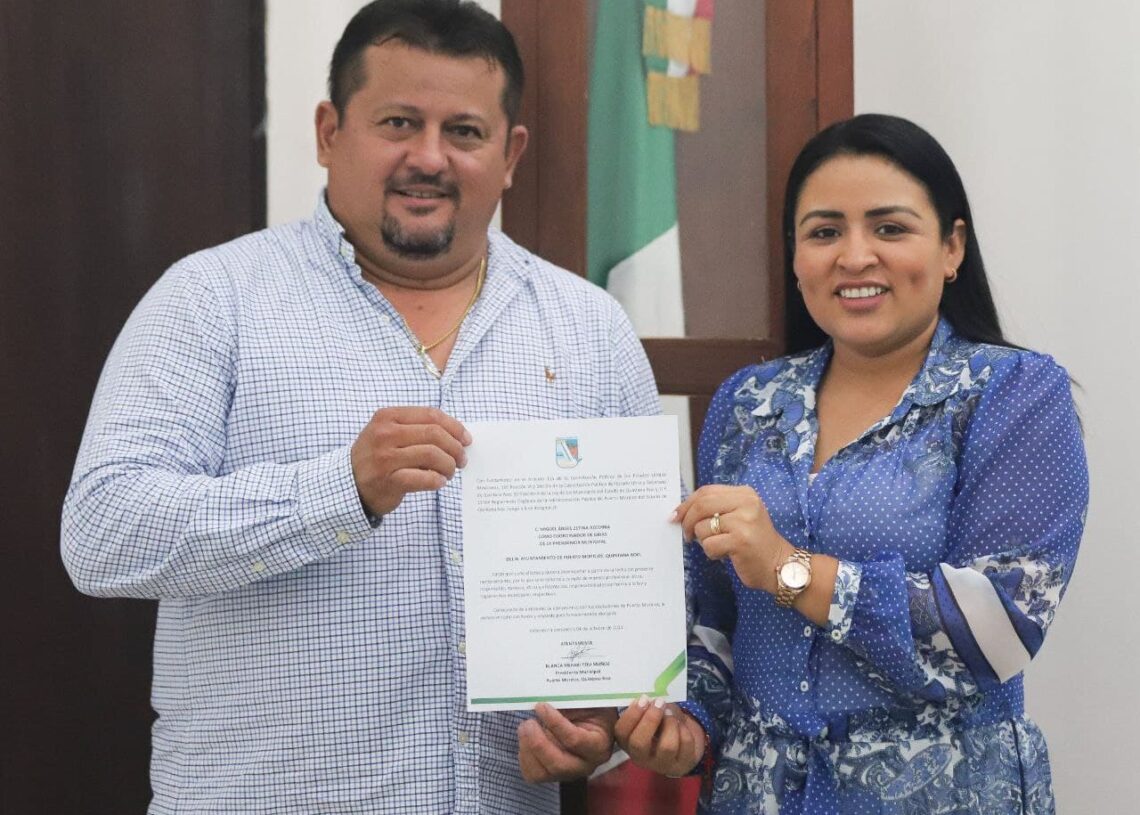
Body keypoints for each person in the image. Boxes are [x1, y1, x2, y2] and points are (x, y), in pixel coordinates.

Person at [60, 1, 655, 812]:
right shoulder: (211, 299)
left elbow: (639, 581)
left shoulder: (589, 329)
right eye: (399, 123)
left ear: (510, 153)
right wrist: (340, 490)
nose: (429, 158)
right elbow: (101, 533)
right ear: (329, 132)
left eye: (465, 132)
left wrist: (602, 730)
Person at [613, 114, 1088, 814]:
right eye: (824, 232)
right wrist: (690, 724)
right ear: (796, 255)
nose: (855, 256)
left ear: (952, 247)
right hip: (758, 795)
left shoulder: (1014, 392)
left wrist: (789, 568)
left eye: (890, 228)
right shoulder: (748, 402)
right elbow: (714, 617)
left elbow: (999, 626)